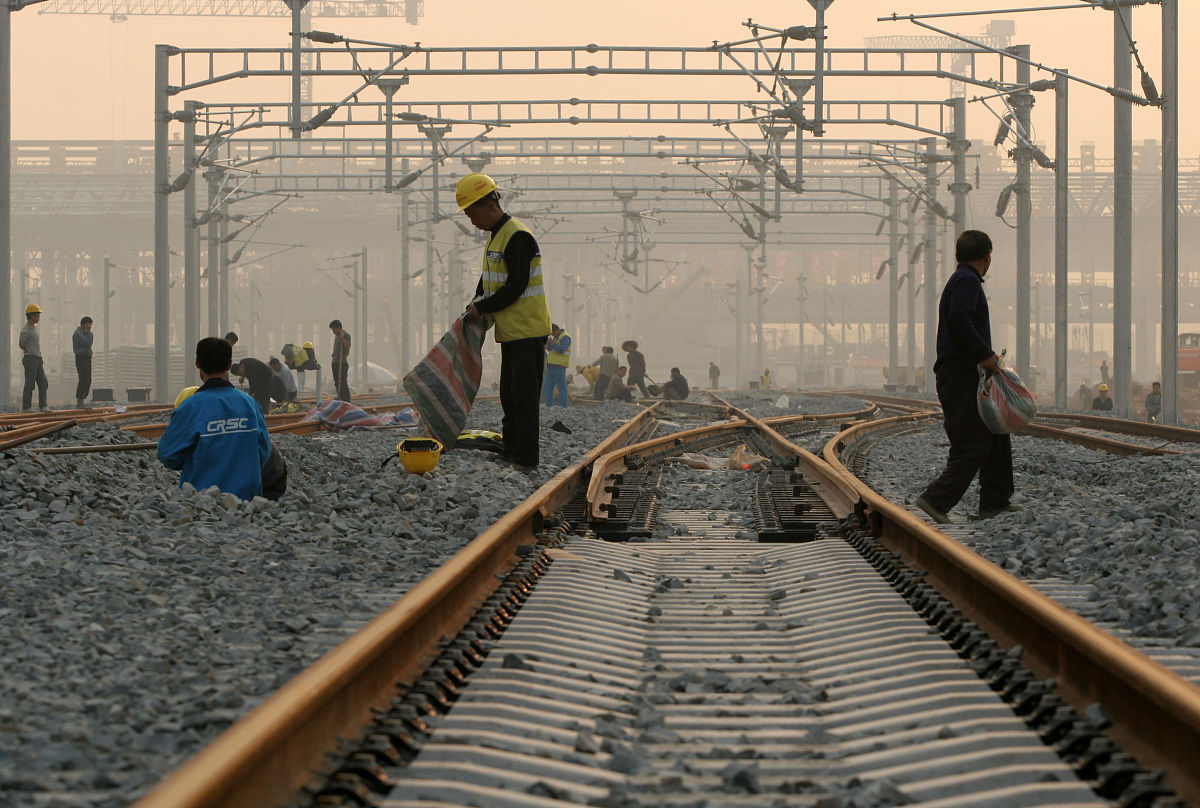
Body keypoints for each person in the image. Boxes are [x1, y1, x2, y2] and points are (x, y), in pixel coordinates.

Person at [915, 230, 1015, 524]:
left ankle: (995, 502)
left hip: (965, 372)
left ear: (958, 256)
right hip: (959, 374)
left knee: (996, 434)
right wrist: (985, 354)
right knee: (973, 443)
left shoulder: (962, 280)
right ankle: (935, 500)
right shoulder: (967, 282)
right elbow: (960, 320)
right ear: (988, 257)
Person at [458, 172, 553, 471]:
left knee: (523, 399)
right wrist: (476, 303)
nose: (472, 222)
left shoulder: (517, 236)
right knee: (510, 397)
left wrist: (483, 307)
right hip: (512, 332)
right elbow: (489, 280)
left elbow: (516, 285)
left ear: (489, 205)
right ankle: (511, 451)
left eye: (473, 214)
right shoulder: (497, 238)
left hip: (528, 331)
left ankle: (526, 458)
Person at [157, 337, 272, 501]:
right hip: (245, 504)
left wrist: (195, 459)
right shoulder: (249, 404)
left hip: (200, 503)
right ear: (229, 364)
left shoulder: (190, 407)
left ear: (197, 363)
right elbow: (264, 450)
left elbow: (167, 454)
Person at [18, 304, 48, 412]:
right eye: (37, 315)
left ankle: (43, 405)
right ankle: (26, 407)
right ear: (32, 316)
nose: (39, 317)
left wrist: (39, 356)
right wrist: (29, 351)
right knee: (30, 383)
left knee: (43, 382)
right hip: (30, 359)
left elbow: (36, 345)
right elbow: (21, 343)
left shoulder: (34, 329)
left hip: (37, 358)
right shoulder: (26, 330)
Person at [543, 323, 572, 407]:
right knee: (548, 387)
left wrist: (552, 344)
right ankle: (549, 405)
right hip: (551, 366)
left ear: (556, 330)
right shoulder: (556, 338)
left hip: (559, 366)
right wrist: (547, 346)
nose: (551, 335)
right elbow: (552, 349)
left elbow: (562, 349)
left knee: (561, 387)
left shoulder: (565, 337)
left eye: (552, 333)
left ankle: (563, 406)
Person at [72, 315, 94, 409]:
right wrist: (86, 332)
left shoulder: (88, 334)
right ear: (84, 325)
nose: (89, 328)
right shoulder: (77, 334)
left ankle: (83, 399)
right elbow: (86, 342)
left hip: (87, 357)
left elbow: (90, 340)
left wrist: (87, 332)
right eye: (88, 326)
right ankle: (79, 400)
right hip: (81, 358)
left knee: (88, 379)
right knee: (83, 378)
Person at [329, 319, 352, 401]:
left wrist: (342, 339)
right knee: (337, 382)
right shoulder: (336, 336)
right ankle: (340, 396)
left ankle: (346, 399)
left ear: (339, 328)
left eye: (333, 329)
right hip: (335, 362)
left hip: (342, 363)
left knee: (342, 383)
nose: (333, 331)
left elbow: (348, 346)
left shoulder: (346, 335)